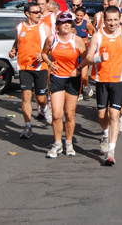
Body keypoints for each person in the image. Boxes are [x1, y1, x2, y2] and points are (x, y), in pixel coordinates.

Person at [80, 6, 122, 165]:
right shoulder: (98, 35)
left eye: (115, 20)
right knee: (101, 115)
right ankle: (105, 134)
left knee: (114, 114)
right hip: (101, 79)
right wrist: (100, 58)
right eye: (109, 20)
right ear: (104, 20)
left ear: (120, 20)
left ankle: (111, 150)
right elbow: (89, 57)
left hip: (119, 80)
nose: (113, 23)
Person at [41, 12, 87, 158]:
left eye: (69, 22)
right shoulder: (51, 39)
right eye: (63, 22)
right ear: (58, 25)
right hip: (56, 79)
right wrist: (49, 63)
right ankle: (57, 144)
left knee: (69, 114)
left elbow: (87, 58)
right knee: (56, 114)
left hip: (72, 80)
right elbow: (43, 53)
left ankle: (69, 143)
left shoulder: (77, 40)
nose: (67, 24)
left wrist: (79, 69)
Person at [9, 2, 53, 139]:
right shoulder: (19, 27)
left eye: (39, 11)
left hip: (40, 67)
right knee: (26, 96)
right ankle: (28, 126)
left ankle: (45, 108)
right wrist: (13, 50)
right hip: (24, 67)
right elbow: (17, 42)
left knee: (40, 98)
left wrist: (43, 54)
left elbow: (52, 45)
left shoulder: (44, 28)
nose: (39, 14)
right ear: (27, 13)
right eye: (35, 12)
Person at [73, 6, 96, 99]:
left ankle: (86, 86)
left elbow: (94, 34)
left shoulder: (87, 24)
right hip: (74, 49)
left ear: (84, 16)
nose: (79, 18)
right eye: (77, 15)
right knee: (75, 73)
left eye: (81, 16)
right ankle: (79, 93)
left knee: (84, 76)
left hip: (84, 49)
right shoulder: (71, 23)